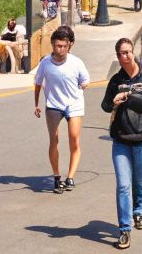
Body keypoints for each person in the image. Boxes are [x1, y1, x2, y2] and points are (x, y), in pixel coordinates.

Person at [103, 36, 142, 250]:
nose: (125, 57)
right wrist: (114, 101)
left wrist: (134, 98)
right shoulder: (116, 79)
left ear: (133, 52)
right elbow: (104, 105)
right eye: (121, 54)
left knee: (139, 182)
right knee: (123, 185)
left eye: (128, 52)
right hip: (121, 138)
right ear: (117, 56)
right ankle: (124, 229)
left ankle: (138, 211)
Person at [34, 25, 91, 192]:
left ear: (70, 45)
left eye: (64, 46)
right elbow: (38, 83)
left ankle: (70, 177)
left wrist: (84, 84)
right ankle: (57, 176)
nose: (61, 49)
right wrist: (36, 105)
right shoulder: (45, 63)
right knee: (54, 139)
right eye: (58, 46)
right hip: (54, 104)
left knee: (74, 138)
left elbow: (85, 80)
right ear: (52, 45)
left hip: (74, 104)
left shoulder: (76, 62)